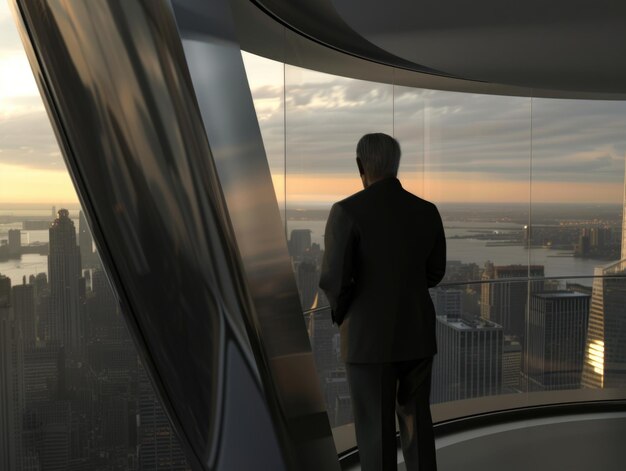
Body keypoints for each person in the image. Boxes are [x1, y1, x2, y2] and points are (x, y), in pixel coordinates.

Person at [319, 133, 446, 471]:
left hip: (367, 341)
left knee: (375, 436)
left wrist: (345, 313)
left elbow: (334, 279)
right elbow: (435, 273)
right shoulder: (427, 211)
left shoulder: (347, 211)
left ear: (361, 166)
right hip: (417, 334)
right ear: (395, 165)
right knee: (418, 426)